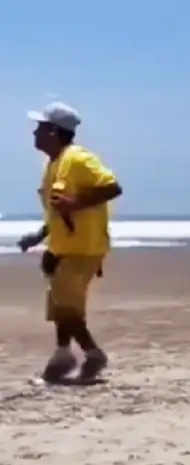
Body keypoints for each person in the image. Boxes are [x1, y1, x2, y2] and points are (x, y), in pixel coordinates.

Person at [17, 102, 123, 383]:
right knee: (59, 306)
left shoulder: (78, 158)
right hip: (63, 246)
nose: (34, 133)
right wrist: (41, 237)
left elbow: (112, 186)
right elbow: (57, 209)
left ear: (53, 131)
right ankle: (63, 356)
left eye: (39, 128)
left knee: (66, 307)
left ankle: (92, 354)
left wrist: (76, 202)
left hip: (83, 247)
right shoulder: (54, 162)